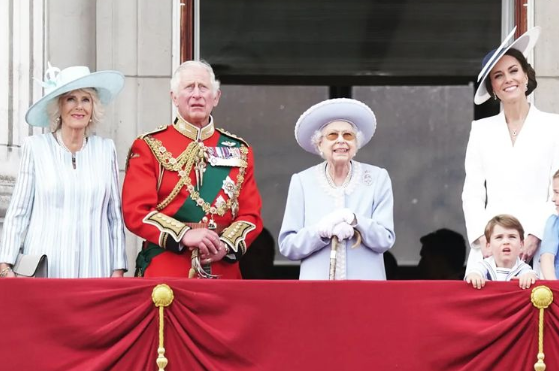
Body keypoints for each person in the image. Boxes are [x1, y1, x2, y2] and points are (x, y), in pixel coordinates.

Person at [122, 60, 263, 279]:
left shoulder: (240, 150)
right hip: (167, 270)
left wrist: (225, 246)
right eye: (189, 87)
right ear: (174, 97)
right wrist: (184, 235)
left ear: (215, 97)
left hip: (222, 269)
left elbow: (250, 215)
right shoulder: (149, 146)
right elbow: (136, 211)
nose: (196, 94)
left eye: (203, 87)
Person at [0, 64, 127, 278]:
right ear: (58, 106)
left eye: (85, 99)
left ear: (93, 107)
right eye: (71, 99)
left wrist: (118, 269)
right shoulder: (36, 147)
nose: (79, 107)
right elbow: (19, 211)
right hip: (46, 270)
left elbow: (114, 216)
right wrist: (5, 265)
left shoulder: (106, 150)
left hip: (96, 269)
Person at [462, 27, 559, 272]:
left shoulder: (556, 125)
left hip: (541, 246)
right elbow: (472, 192)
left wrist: (535, 234)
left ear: (526, 77)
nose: (508, 79)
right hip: (490, 246)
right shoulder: (481, 130)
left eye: (513, 71)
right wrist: (483, 237)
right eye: (498, 76)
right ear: (492, 87)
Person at [279, 98, 395, 280]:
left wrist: (356, 221)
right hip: (316, 290)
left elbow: (385, 240)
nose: (341, 141)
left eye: (348, 136)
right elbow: (288, 246)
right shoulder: (302, 181)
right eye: (332, 135)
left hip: (365, 289)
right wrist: (319, 232)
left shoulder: (377, 178)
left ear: (356, 144)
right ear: (319, 144)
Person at [465, 215, 537, 289]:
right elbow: (473, 273)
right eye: (499, 237)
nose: (506, 242)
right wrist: (474, 276)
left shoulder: (523, 268)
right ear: (488, 245)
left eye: (512, 237)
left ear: (521, 244)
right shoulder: (484, 266)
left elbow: (531, 275)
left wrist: (529, 277)